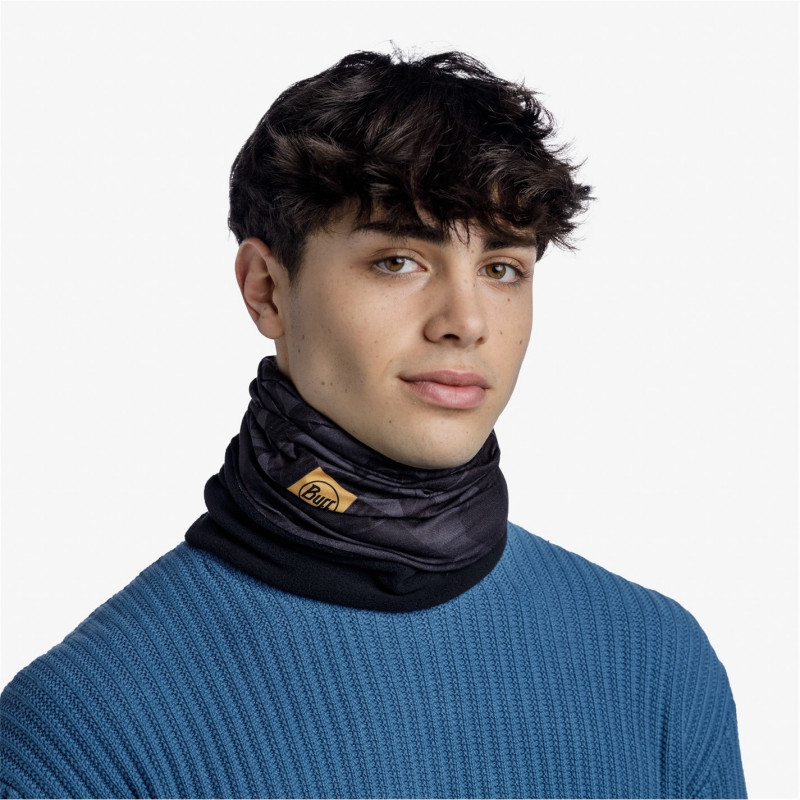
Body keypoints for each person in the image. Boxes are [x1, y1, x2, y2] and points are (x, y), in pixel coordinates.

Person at [0, 50, 746, 799]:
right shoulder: (77, 735)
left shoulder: (658, 665)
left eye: (501, 269)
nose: (466, 322)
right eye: (398, 261)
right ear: (266, 290)